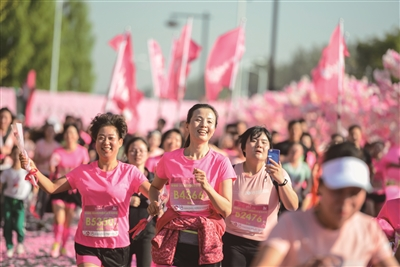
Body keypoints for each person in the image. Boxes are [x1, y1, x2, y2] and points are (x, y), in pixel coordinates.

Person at [19, 113, 152, 267]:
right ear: (95, 142)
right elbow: (52, 187)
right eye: (101, 137)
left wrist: (157, 200)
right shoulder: (82, 172)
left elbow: (151, 191)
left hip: (117, 246)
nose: (106, 142)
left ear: (120, 142)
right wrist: (33, 168)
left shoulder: (130, 172)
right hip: (87, 244)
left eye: (111, 138)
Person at [251, 142, 399, 267]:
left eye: (354, 192)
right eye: (337, 190)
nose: (345, 200)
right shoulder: (291, 225)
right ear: (320, 186)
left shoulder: (368, 229)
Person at [147, 103, 237, 267]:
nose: (204, 125)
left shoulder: (221, 162)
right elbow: (154, 188)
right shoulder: (169, 159)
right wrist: (154, 202)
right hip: (174, 240)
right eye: (198, 120)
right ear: (187, 125)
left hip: (207, 243)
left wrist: (207, 187)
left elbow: (226, 210)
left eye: (209, 121)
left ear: (215, 128)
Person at [222, 126, 298, 267]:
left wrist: (281, 180)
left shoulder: (278, 174)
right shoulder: (231, 172)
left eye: (264, 142)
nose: (259, 145)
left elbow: (293, 206)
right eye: (254, 141)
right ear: (243, 147)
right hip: (233, 241)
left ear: (270, 149)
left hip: (264, 244)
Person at [48, 123, 90, 258]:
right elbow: (52, 171)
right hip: (59, 188)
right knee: (59, 218)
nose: (70, 136)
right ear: (64, 136)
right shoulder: (57, 152)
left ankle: (64, 246)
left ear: (77, 136)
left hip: (74, 191)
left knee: (68, 220)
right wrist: (52, 167)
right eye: (67, 133)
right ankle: (56, 243)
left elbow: (86, 171)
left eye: (72, 133)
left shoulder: (82, 151)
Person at [125, 137, 155, 267]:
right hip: (122, 234)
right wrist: (127, 200)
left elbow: (163, 206)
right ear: (126, 153)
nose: (137, 154)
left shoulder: (154, 180)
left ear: (148, 153)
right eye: (133, 150)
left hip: (146, 234)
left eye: (141, 151)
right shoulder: (119, 178)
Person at [0, 146, 31, 258]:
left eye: (19, 154)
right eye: (14, 154)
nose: (16, 156)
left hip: (21, 201)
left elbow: (34, 182)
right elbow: (1, 183)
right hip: (8, 199)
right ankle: (9, 246)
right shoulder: (7, 171)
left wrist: (33, 197)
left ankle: (20, 242)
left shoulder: (25, 171)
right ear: (11, 155)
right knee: (7, 223)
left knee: (18, 224)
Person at [33, 123, 61, 219]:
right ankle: (37, 214)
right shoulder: (39, 143)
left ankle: (43, 215)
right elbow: (35, 159)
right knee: (39, 196)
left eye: (51, 131)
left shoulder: (57, 146)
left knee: (47, 196)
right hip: (40, 173)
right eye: (48, 130)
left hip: (51, 175)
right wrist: (47, 158)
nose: (49, 133)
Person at [282, 142, 312, 208]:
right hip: (284, 199)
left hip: (299, 198)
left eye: (296, 151)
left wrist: (306, 192)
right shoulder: (283, 165)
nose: (294, 153)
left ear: (301, 153)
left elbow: (309, 182)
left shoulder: (305, 167)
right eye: (292, 151)